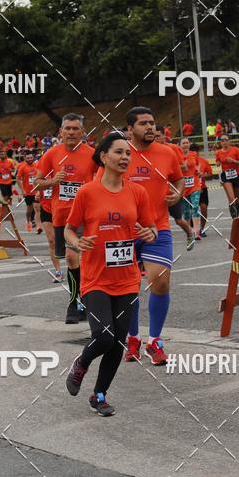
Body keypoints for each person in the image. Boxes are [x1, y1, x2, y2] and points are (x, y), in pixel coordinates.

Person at [64, 131, 156, 416]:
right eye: (118, 152)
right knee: (104, 336)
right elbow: (69, 229)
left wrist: (147, 233)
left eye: (127, 153)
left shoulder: (137, 192)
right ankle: (82, 362)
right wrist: (78, 243)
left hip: (127, 278)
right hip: (96, 277)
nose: (125, 157)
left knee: (118, 341)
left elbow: (151, 229)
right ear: (103, 156)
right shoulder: (87, 192)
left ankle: (99, 396)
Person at [123, 107, 183, 365]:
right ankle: (132, 338)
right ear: (129, 129)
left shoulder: (168, 152)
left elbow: (179, 179)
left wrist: (178, 193)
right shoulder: (120, 153)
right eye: (143, 123)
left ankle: (155, 341)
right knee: (128, 288)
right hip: (123, 231)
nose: (150, 127)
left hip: (157, 227)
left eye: (152, 122)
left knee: (160, 282)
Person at [35, 113, 97, 324]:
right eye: (67, 129)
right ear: (60, 132)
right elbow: (37, 182)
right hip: (62, 216)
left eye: (75, 129)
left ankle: (81, 303)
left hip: (87, 216)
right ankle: (75, 301)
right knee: (71, 260)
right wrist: (53, 180)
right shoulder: (51, 154)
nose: (71, 132)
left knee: (83, 260)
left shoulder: (93, 154)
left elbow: (105, 179)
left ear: (82, 132)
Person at [215, 135, 239, 218]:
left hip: (237, 175)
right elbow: (217, 161)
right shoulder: (218, 152)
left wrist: (234, 161)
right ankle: (234, 219)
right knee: (231, 199)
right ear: (220, 142)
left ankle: (237, 219)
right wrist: (217, 163)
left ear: (229, 141)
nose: (224, 142)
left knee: (236, 199)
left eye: (226, 140)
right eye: (222, 140)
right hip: (226, 176)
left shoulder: (236, 150)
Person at [179, 137, 201, 241]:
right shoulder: (177, 156)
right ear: (180, 145)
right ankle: (189, 231)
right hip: (183, 187)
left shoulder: (193, 154)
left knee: (195, 206)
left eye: (187, 142)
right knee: (186, 211)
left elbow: (197, 164)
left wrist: (198, 170)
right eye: (183, 143)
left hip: (194, 184)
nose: (185, 144)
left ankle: (197, 231)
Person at [17, 151, 41, 233]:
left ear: (33, 157)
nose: (30, 159)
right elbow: (18, 179)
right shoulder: (22, 167)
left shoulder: (37, 165)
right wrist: (22, 190)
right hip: (27, 192)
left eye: (31, 157)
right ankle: (28, 221)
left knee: (37, 208)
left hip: (36, 191)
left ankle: (38, 226)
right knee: (29, 210)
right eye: (28, 158)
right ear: (25, 158)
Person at [194, 144, 213, 236]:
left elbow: (210, 174)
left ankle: (202, 228)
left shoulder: (204, 161)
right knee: (192, 210)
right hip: (190, 189)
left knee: (204, 208)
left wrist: (203, 175)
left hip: (202, 189)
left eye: (196, 152)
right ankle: (195, 228)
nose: (194, 154)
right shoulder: (186, 162)